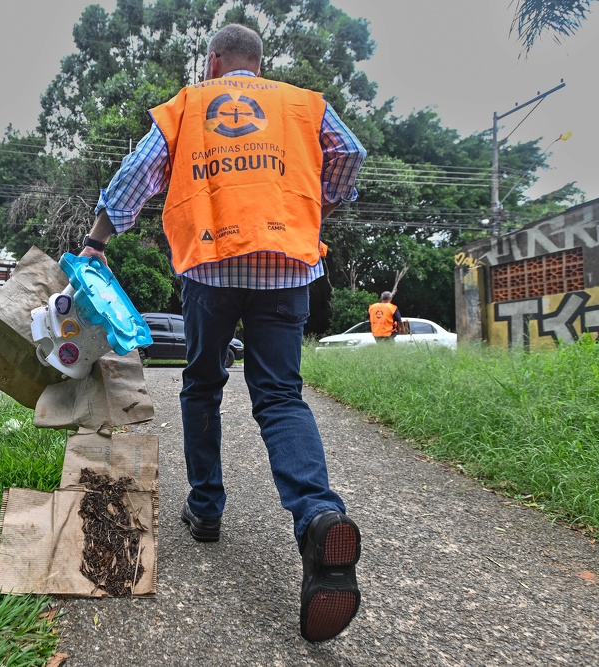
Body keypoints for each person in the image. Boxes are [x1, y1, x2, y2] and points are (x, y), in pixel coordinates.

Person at [81, 23, 366, 643]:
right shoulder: (300, 103)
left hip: (210, 264)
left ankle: (206, 510)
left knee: (203, 382)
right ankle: (318, 516)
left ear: (213, 61)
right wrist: (318, 201)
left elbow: (139, 171)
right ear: (258, 64)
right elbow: (350, 154)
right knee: (280, 396)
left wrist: (97, 240)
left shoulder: (190, 103)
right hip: (286, 262)